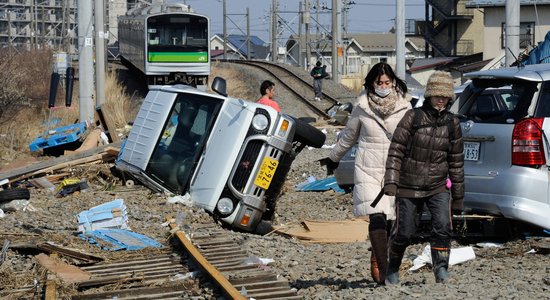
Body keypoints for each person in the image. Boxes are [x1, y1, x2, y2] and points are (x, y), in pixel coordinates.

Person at [321, 62, 411, 285]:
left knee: (392, 220)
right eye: (378, 82)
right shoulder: (361, 107)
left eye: (387, 82)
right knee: (377, 217)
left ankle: (378, 253)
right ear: (371, 83)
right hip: (367, 169)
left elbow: (413, 138)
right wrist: (334, 157)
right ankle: (384, 269)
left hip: (394, 169)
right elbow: (348, 137)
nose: (383, 86)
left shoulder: (405, 107)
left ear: (393, 83)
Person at [383, 71, 465, 285]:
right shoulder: (413, 117)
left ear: (449, 99)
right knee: (405, 231)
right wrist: (391, 181)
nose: (441, 99)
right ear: (429, 95)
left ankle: (441, 269)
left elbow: (456, 161)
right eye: (437, 95)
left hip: (438, 186)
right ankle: (392, 268)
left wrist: (458, 196)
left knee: (442, 227)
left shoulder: (452, 123)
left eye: (445, 96)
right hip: (408, 185)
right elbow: (396, 151)